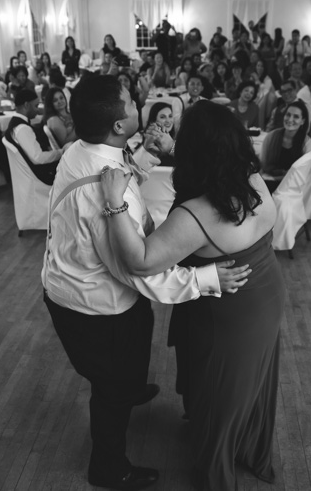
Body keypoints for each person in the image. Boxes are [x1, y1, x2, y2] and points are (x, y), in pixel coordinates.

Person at [43, 75, 251, 491]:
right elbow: (140, 269)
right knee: (110, 390)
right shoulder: (102, 197)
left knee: (136, 337)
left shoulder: (82, 149)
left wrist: (146, 157)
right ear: (119, 125)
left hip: (78, 286)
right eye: (132, 102)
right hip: (94, 306)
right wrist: (206, 278)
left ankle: (130, 385)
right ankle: (108, 467)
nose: (140, 103)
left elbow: (115, 175)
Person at [99, 99, 284, 491]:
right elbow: (211, 169)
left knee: (218, 385)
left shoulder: (198, 213)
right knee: (241, 382)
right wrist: (172, 151)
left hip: (229, 310)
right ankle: (242, 442)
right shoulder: (250, 178)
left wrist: (114, 204)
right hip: (264, 289)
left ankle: (216, 469)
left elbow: (141, 261)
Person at [4, 88, 66, 186]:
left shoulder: (15, 122)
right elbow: (38, 158)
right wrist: (61, 152)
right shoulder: (23, 129)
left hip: (30, 172)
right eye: (36, 106)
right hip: (40, 175)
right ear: (26, 105)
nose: (37, 110)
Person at [260, 100, 311, 188]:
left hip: (292, 186)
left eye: (296, 116)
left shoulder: (307, 143)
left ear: (303, 121)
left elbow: (305, 173)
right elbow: (263, 164)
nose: (290, 119)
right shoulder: (271, 136)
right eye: (288, 115)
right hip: (269, 180)